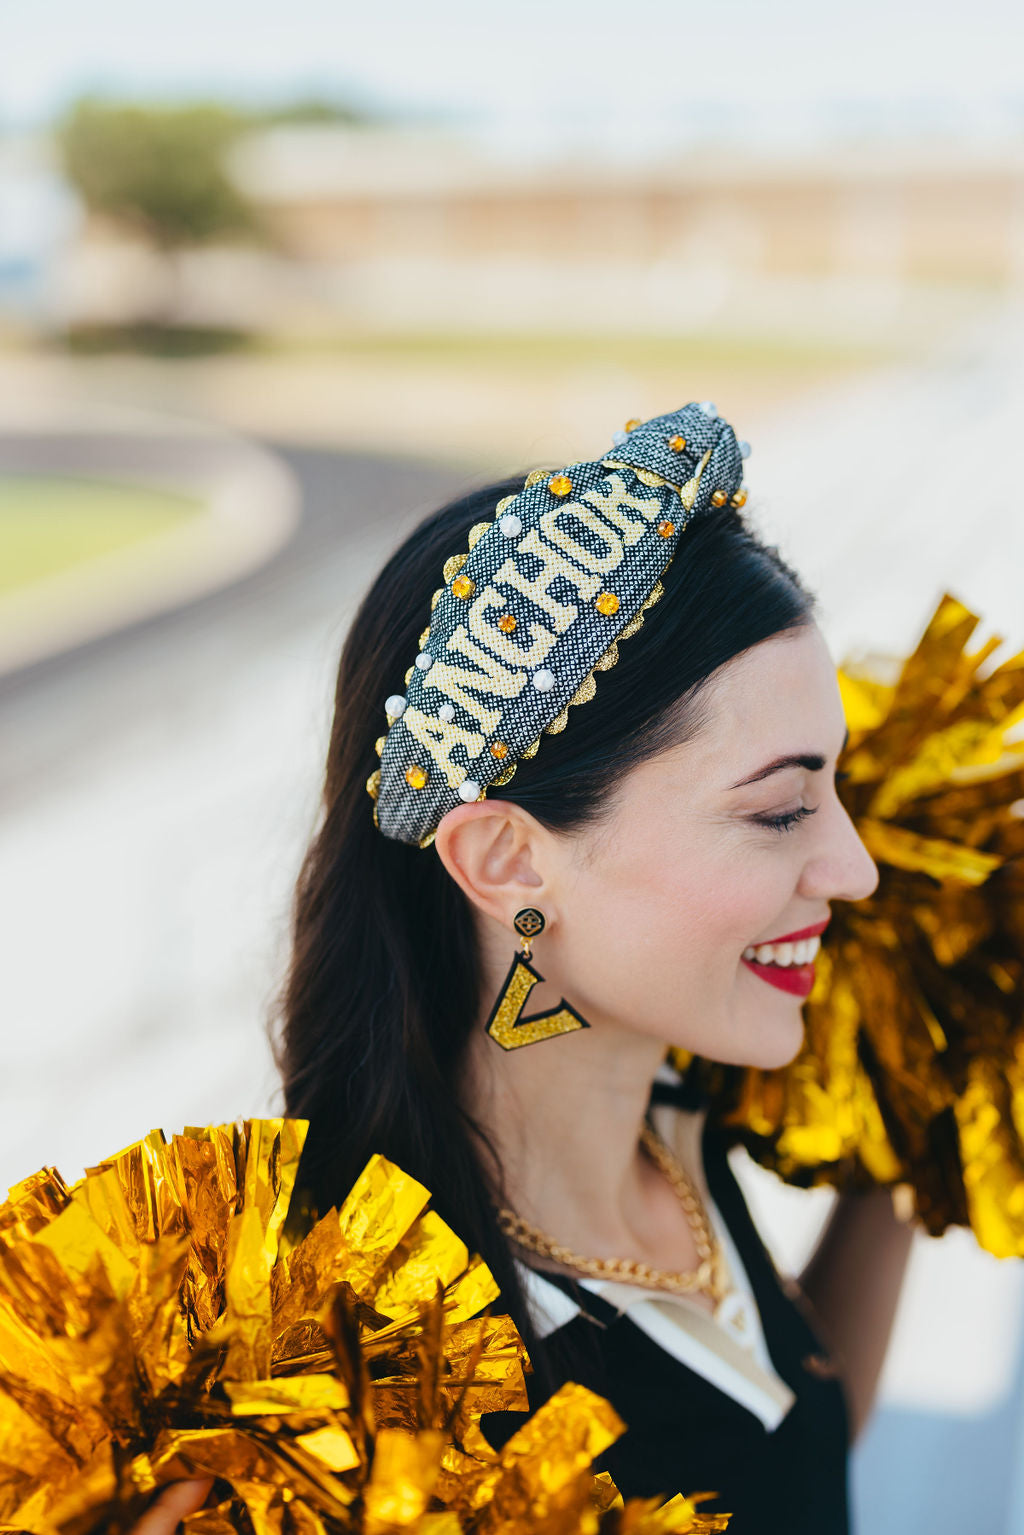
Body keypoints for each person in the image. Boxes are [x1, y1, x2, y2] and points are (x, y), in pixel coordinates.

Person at [138, 404, 913, 1535]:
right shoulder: (362, 1395)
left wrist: (911, 1159)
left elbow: (775, 1457)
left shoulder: (673, 1120)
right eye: (781, 809)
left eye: (833, 788)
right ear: (504, 858)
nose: (852, 869)